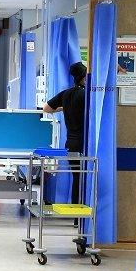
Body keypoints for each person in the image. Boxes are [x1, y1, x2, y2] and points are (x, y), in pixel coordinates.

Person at [43, 61, 87, 202]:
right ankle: (82, 216)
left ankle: (76, 216)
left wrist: (64, 108)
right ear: (84, 77)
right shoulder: (87, 95)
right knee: (85, 179)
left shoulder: (66, 94)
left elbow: (46, 108)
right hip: (84, 142)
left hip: (70, 143)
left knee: (76, 178)